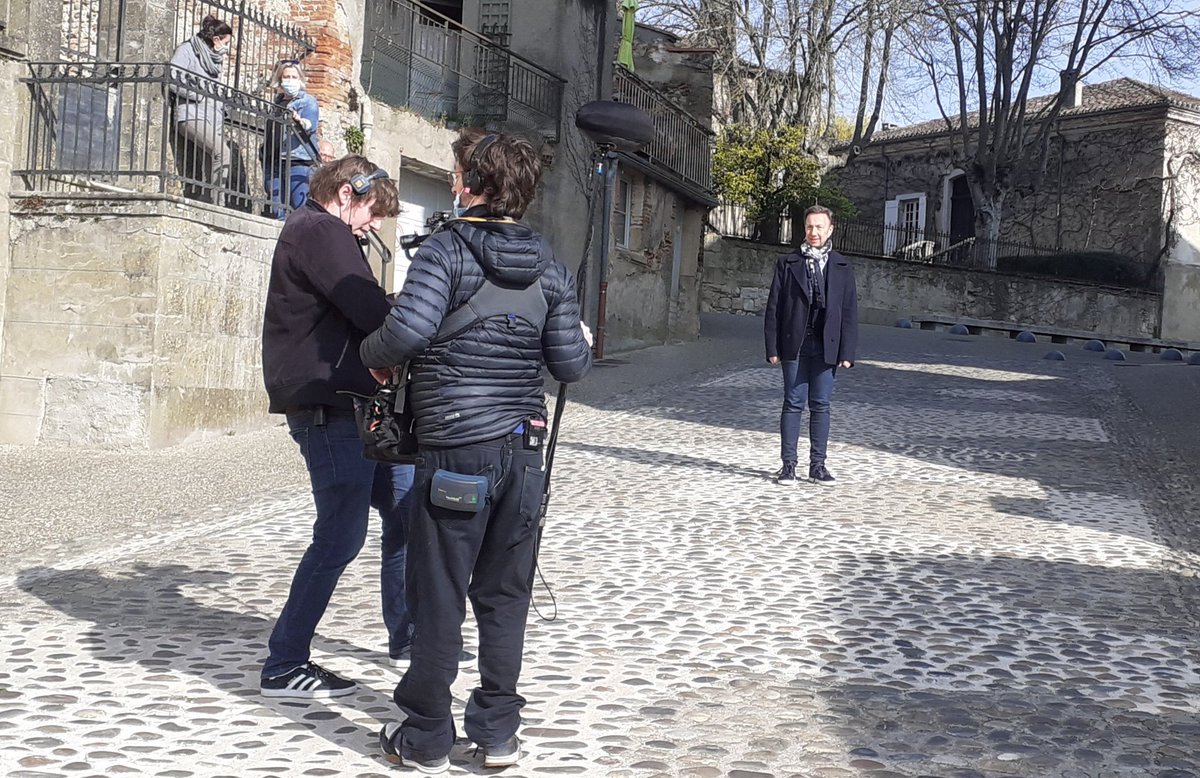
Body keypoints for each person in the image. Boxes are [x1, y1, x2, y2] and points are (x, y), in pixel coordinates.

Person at [361, 129, 593, 773]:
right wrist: (578, 335)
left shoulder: (446, 250)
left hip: (456, 451)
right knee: (504, 594)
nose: (454, 180)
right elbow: (571, 366)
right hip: (523, 454)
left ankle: (427, 735)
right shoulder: (549, 264)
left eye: (459, 171)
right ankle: (496, 734)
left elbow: (406, 329)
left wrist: (367, 357)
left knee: (438, 591)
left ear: (472, 185)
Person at [259, 155, 416, 698]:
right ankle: (284, 662)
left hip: (347, 404)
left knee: (404, 510)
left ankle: (408, 635)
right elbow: (371, 311)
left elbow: (362, 312)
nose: (373, 225)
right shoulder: (322, 231)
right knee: (340, 536)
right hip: (328, 408)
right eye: (373, 211)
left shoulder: (316, 230)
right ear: (347, 193)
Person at [764, 204, 859, 486]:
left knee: (821, 405)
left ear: (830, 230)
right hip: (794, 343)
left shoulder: (842, 266)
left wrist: (847, 351)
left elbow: (850, 311)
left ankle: (818, 466)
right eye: (809, 227)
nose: (813, 232)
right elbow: (774, 307)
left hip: (827, 346)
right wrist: (772, 347)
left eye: (819, 227)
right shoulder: (788, 263)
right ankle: (788, 466)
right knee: (793, 404)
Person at [168, 15, 233, 203]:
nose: (226, 48)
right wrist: (197, 95)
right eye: (226, 42)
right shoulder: (187, 50)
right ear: (216, 39)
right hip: (190, 114)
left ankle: (206, 198)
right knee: (223, 152)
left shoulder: (214, 59)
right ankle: (217, 203)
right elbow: (173, 77)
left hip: (212, 117)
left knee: (211, 158)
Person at [263, 60, 319, 219]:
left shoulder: (308, 101)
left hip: (298, 159)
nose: (290, 80)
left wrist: (299, 121)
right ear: (280, 80)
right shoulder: (277, 103)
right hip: (275, 158)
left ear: (300, 79)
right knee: (276, 207)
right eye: (286, 77)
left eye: (294, 77)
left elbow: (310, 125)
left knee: (298, 205)